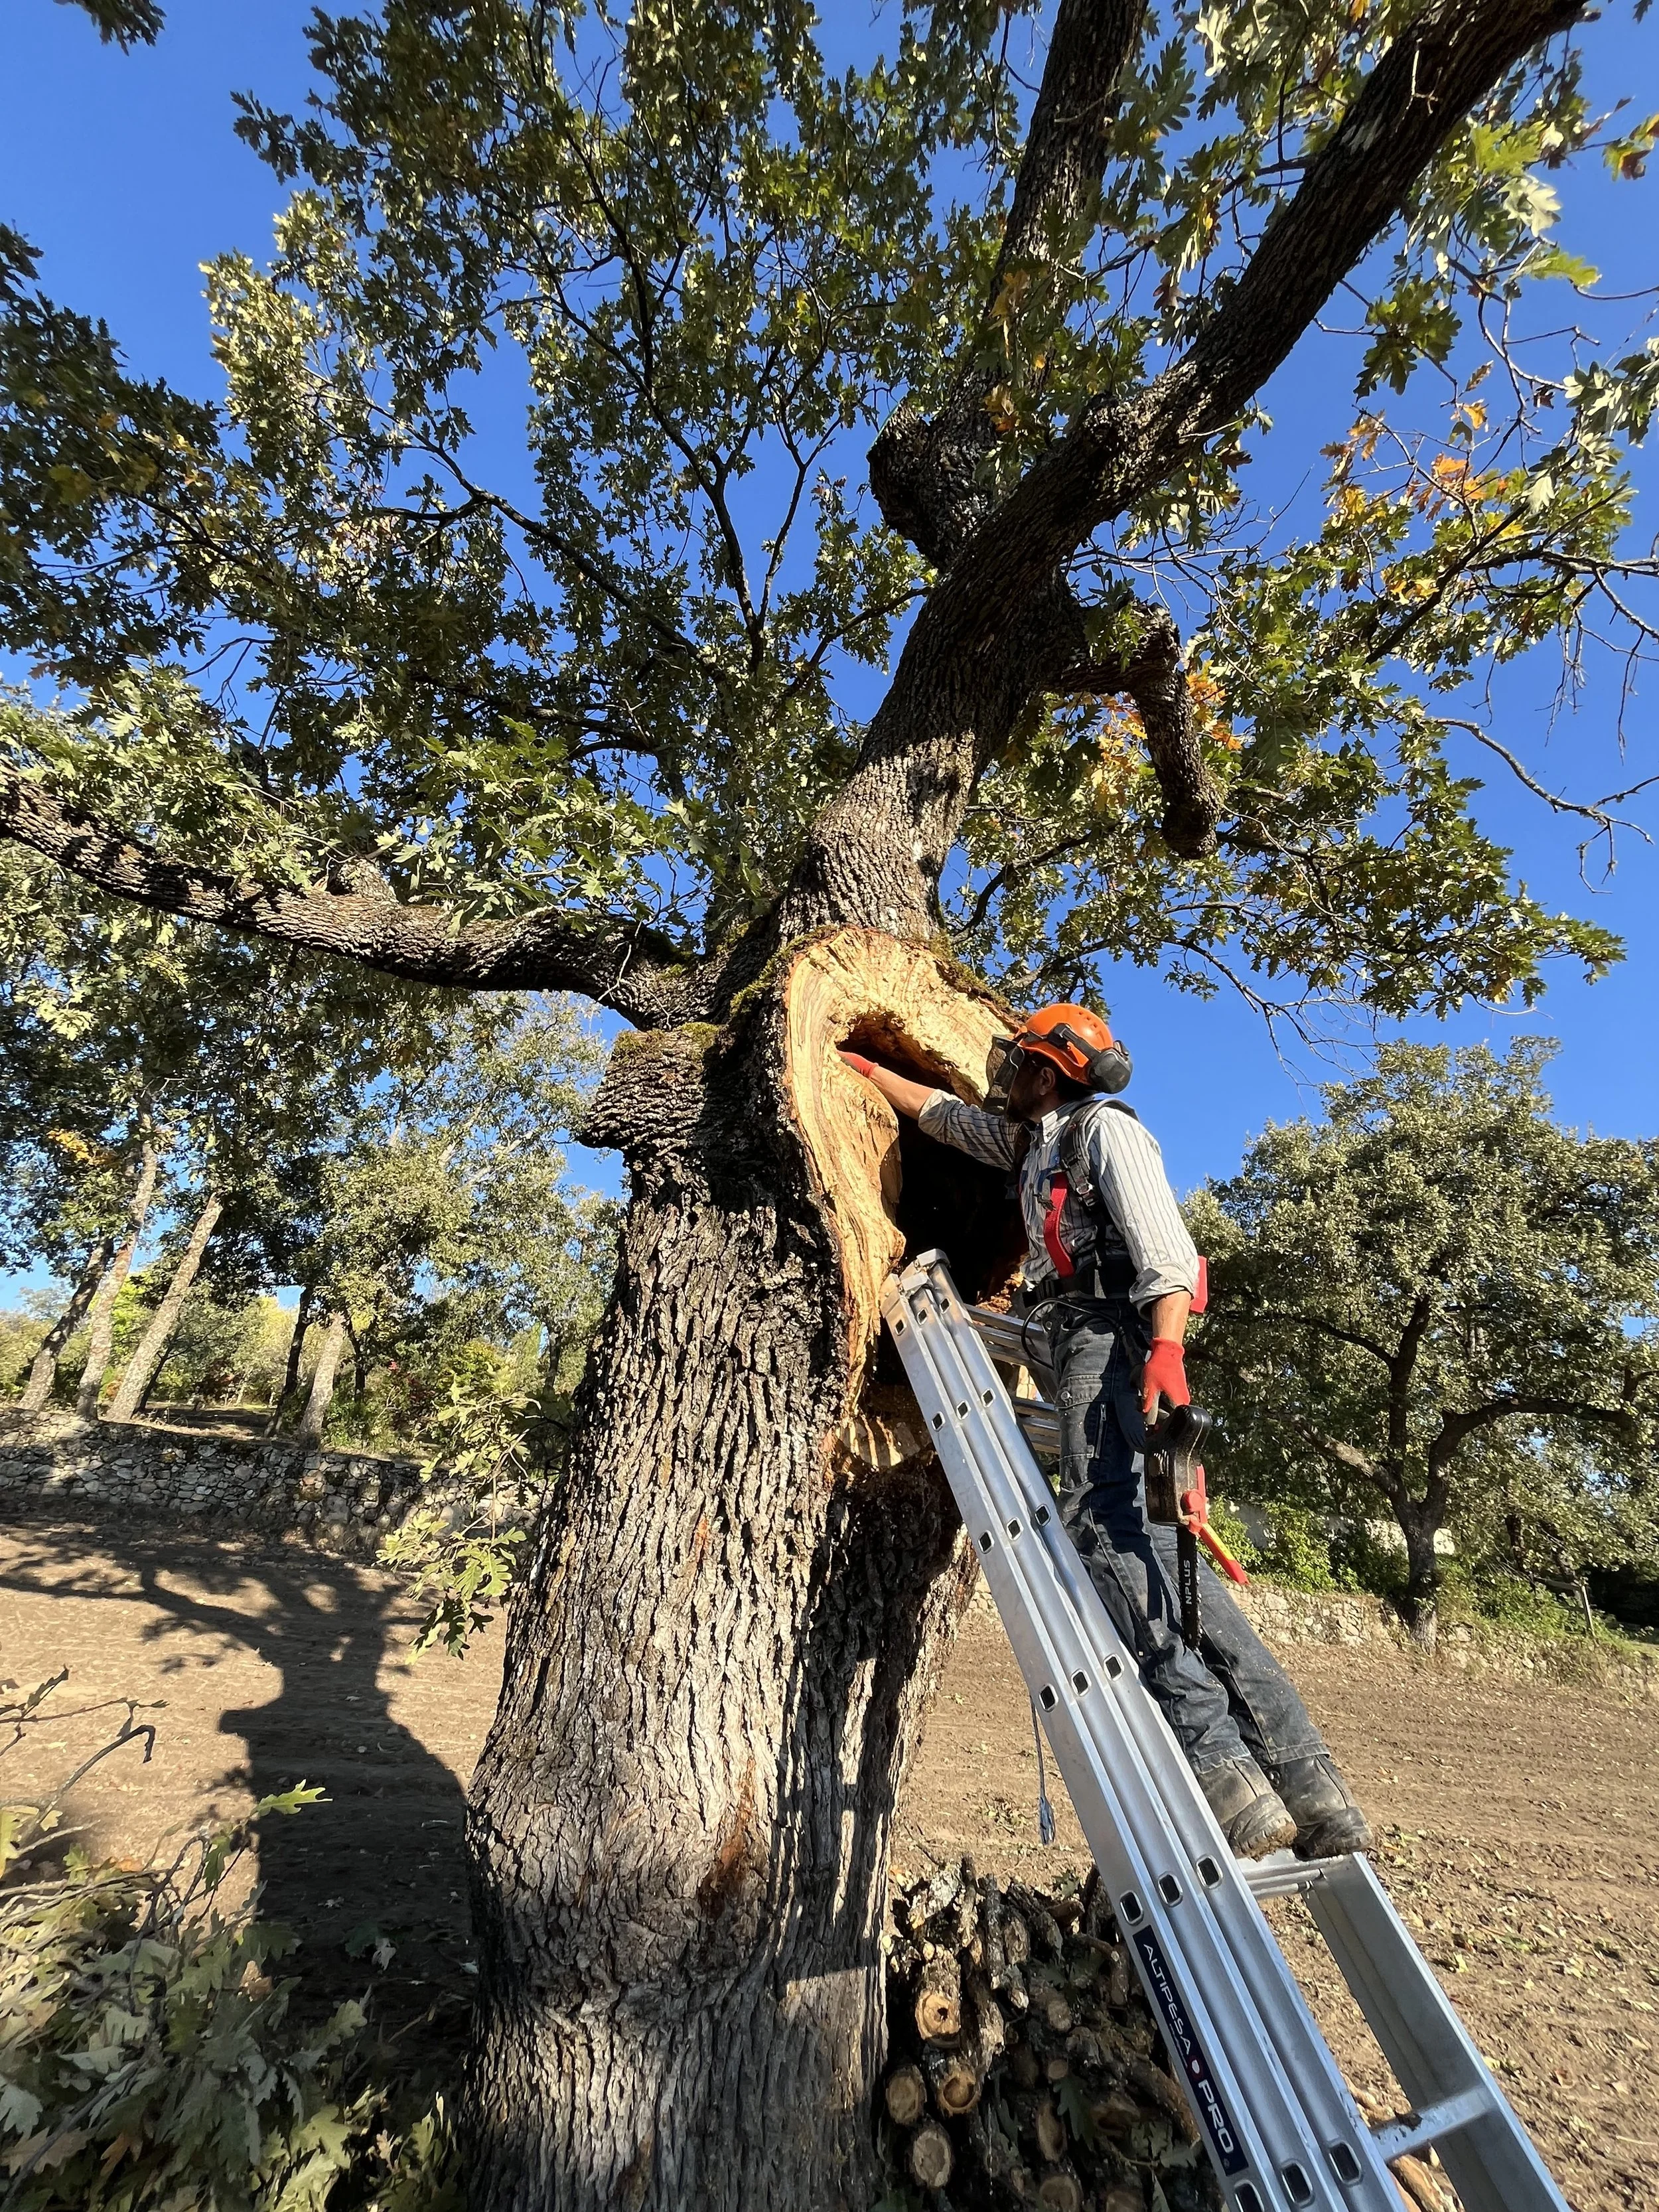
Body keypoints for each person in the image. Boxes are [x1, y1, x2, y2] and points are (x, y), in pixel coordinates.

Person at [839, 1003, 1372, 1862]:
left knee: (1104, 1532)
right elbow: (944, 1117)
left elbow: (1166, 1250)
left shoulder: (1104, 1134)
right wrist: (865, 1072)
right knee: (1152, 1549)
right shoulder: (1033, 1142)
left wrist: (1166, 1350)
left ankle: (1220, 1766)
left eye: (1018, 1066)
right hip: (1069, 1330)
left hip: (1110, 1328)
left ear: (1050, 1073)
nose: (1004, 1077)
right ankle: (1305, 1789)